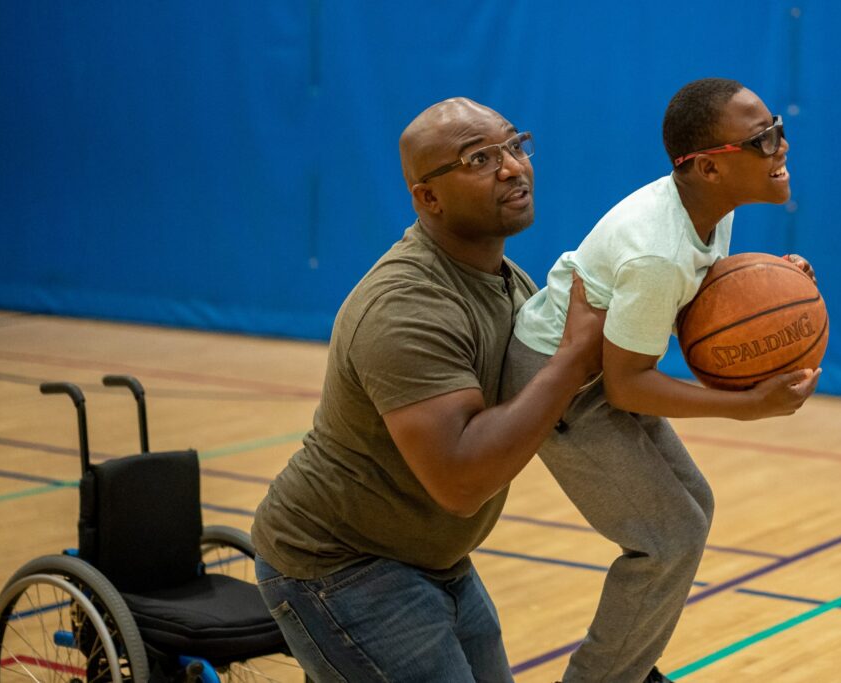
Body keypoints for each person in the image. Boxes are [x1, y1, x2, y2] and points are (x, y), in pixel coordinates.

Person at [252, 97, 606, 682]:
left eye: (516, 145)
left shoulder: (504, 280)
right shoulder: (406, 307)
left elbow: (583, 385)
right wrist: (570, 361)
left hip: (434, 557)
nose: (513, 167)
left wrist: (742, 385)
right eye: (479, 158)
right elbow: (460, 480)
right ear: (428, 198)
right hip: (339, 564)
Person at [501, 78, 822, 683]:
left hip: (602, 365)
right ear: (706, 166)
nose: (782, 145)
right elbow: (628, 386)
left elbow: (692, 295)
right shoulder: (657, 251)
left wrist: (769, 285)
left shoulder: (705, 210)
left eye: (777, 127)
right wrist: (749, 404)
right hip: (555, 379)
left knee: (693, 508)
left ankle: (627, 665)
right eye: (762, 140)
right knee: (667, 539)